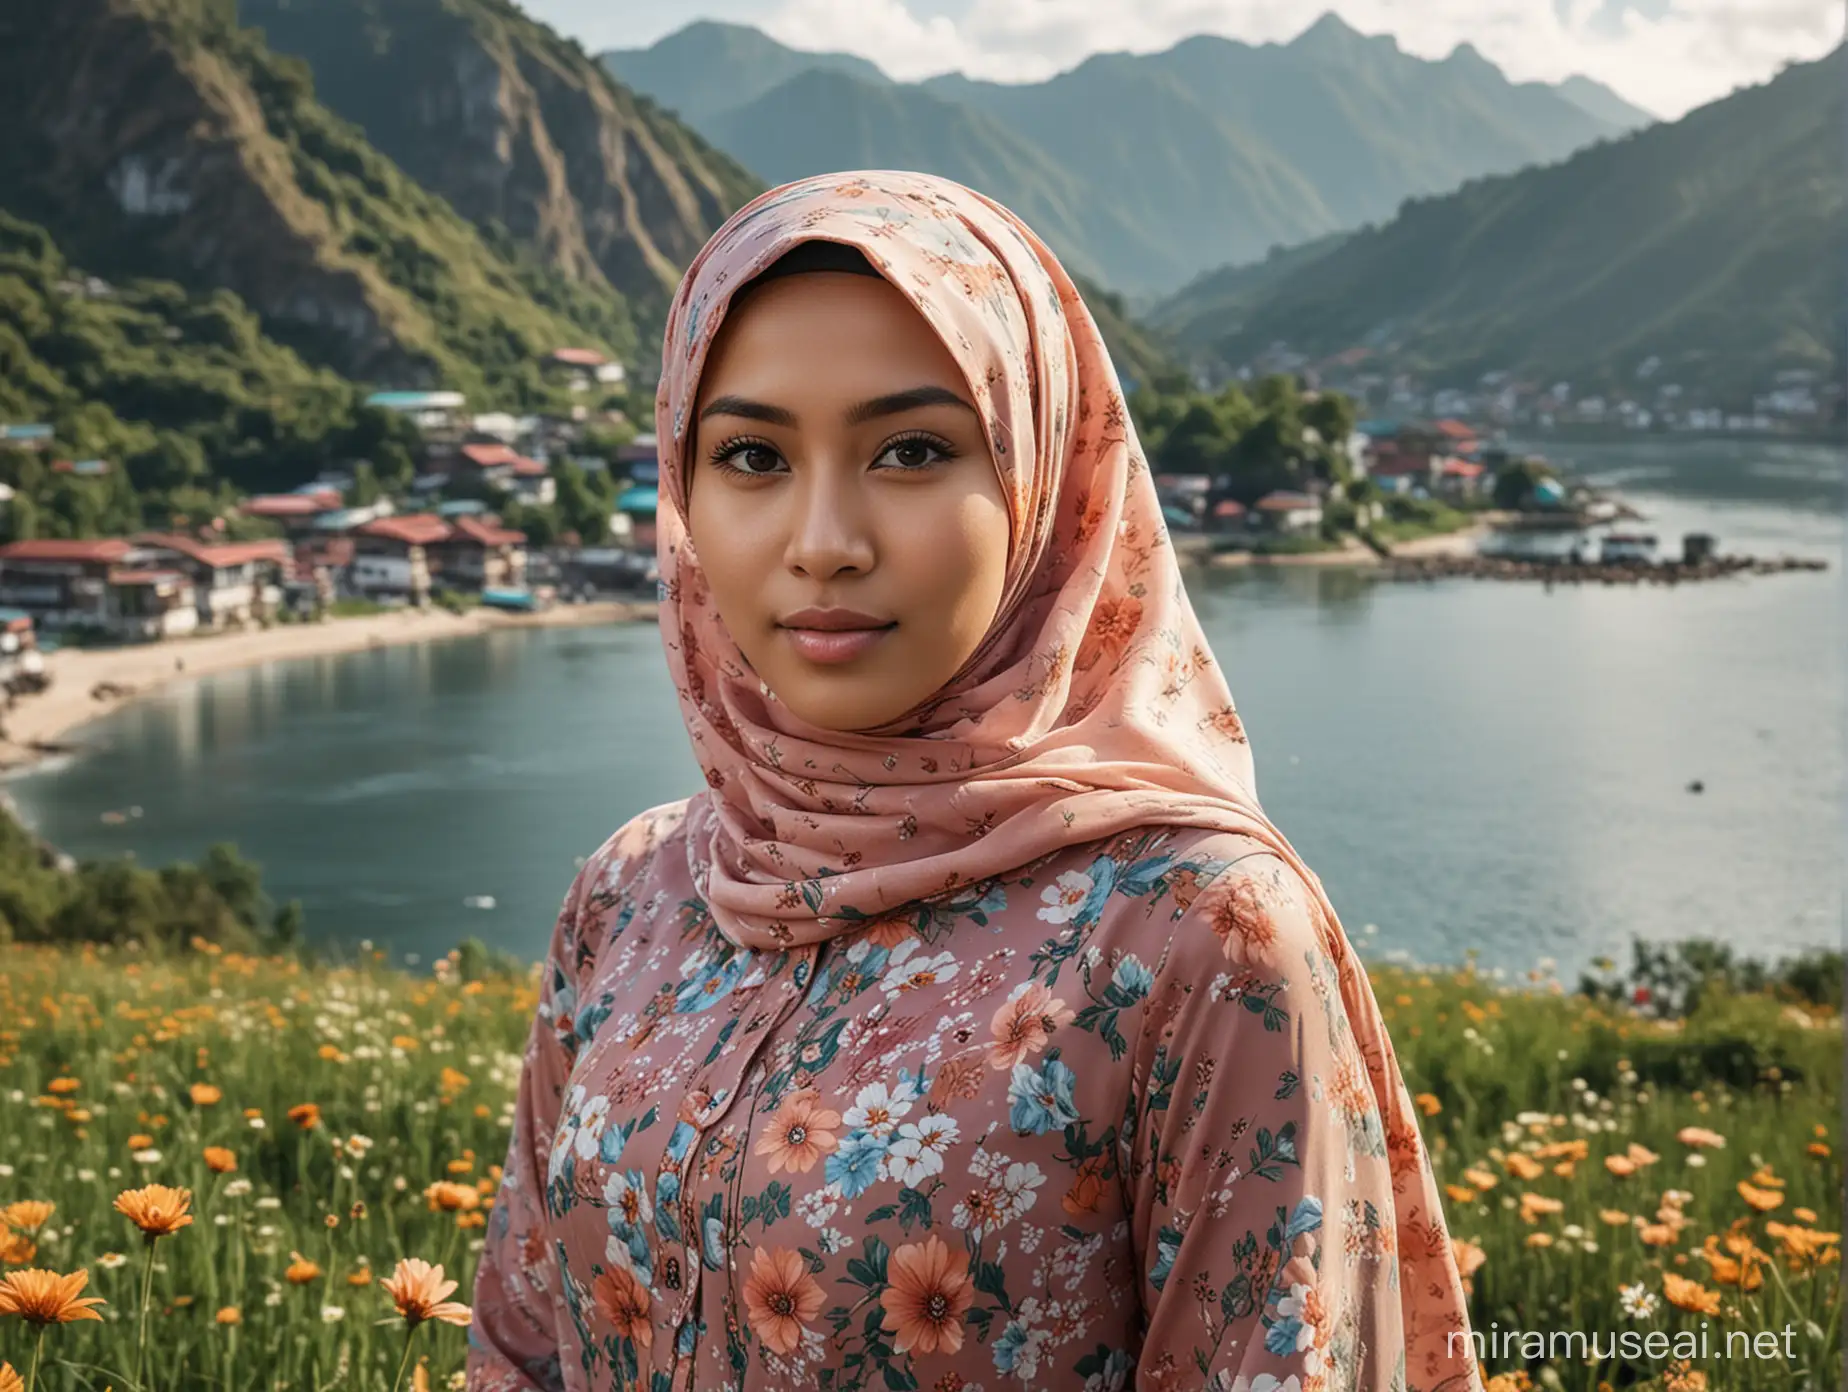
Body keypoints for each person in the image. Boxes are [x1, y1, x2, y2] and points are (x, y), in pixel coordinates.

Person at [467, 170, 1481, 1392]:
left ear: (1045, 477)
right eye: (749, 454)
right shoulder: (631, 896)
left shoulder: (1195, 940)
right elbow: (520, 1346)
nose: (824, 539)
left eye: (910, 449)